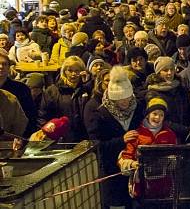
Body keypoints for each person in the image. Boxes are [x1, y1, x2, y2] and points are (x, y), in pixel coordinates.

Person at [84, 65, 143, 209]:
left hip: (135, 168)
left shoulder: (138, 108)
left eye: (128, 98)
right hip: (111, 170)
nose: (125, 102)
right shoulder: (99, 112)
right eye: (120, 99)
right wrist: (121, 140)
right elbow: (96, 144)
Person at [118, 97, 178, 200]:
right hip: (142, 189)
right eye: (154, 113)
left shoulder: (169, 134)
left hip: (164, 188)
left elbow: (176, 156)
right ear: (148, 114)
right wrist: (132, 164)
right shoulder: (137, 134)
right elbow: (125, 158)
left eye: (161, 115)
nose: (157, 117)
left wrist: (170, 161)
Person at [36, 55, 90, 142]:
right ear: (64, 71)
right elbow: (43, 116)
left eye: (77, 71)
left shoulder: (87, 89)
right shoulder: (52, 91)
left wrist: (88, 83)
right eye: (70, 70)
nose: (73, 74)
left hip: (83, 139)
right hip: (59, 139)